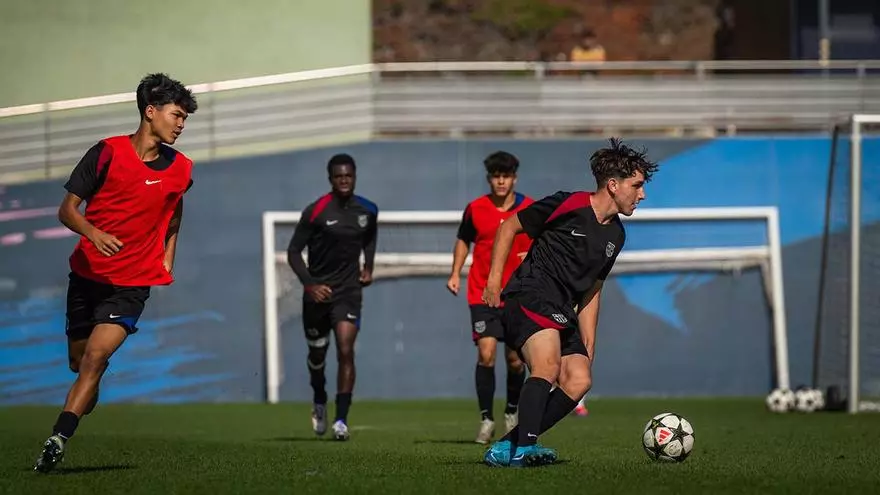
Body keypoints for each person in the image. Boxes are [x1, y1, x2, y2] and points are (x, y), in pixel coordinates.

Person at [34, 73, 198, 473]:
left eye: (185, 118)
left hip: (131, 284)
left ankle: (57, 438)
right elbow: (67, 210)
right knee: (80, 364)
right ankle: (87, 389)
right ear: (150, 111)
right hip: (87, 276)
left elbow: (174, 209)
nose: (181, 124)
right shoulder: (105, 153)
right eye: (176, 115)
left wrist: (167, 255)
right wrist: (93, 231)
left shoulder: (181, 169)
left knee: (94, 357)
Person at [481, 138, 659, 467]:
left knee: (579, 379)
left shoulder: (616, 236)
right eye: (637, 186)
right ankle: (525, 450)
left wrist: (589, 342)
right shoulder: (569, 204)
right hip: (529, 294)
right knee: (546, 367)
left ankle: (507, 446)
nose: (642, 194)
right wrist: (493, 281)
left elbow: (593, 290)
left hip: (562, 310)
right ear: (613, 185)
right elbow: (509, 227)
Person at [287, 153, 378, 441]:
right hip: (317, 294)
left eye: (348, 176)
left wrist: (369, 266)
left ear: (354, 176)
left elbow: (370, 236)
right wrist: (311, 285)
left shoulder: (367, 210)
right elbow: (292, 253)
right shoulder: (316, 211)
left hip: (348, 292)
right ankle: (318, 398)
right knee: (317, 356)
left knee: (345, 349)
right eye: (338, 177)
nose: (344, 181)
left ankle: (341, 420)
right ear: (330, 179)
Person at [446, 151, 533, 444]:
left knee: (515, 360)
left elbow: (540, 244)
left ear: (514, 178)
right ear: (489, 179)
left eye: (505, 176)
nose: (501, 181)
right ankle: (486, 419)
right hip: (482, 293)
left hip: (517, 295)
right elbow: (463, 239)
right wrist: (455, 272)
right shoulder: (476, 209)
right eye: (496, 176)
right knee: (486, 354)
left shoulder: (529, 209)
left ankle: (511, 411)